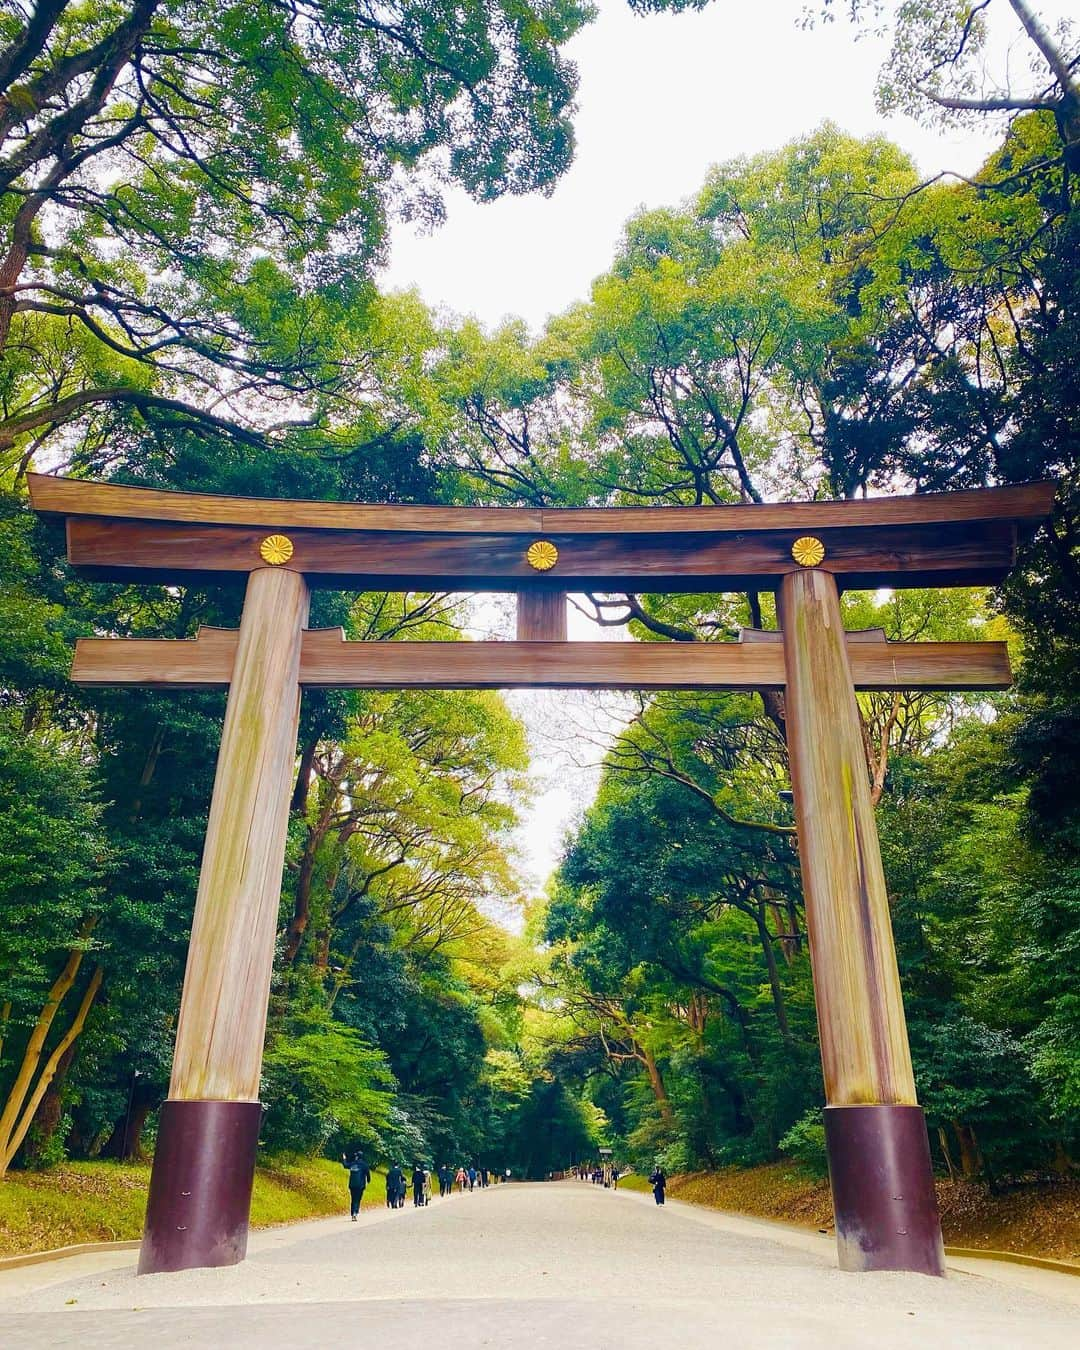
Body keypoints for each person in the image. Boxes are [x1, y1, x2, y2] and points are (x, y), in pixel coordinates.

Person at [341, 1150, 371, 1221]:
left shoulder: (353, 1164)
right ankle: (355, 1212)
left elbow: (345, 1165)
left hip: (352, 1184)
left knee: (353, 1199)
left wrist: (344, 1158)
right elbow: (368, 1174)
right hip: (360, 1185)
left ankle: (353, 1213)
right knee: (358, 1199)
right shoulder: (364, 1165)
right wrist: (368, 1180)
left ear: (356, 1156)